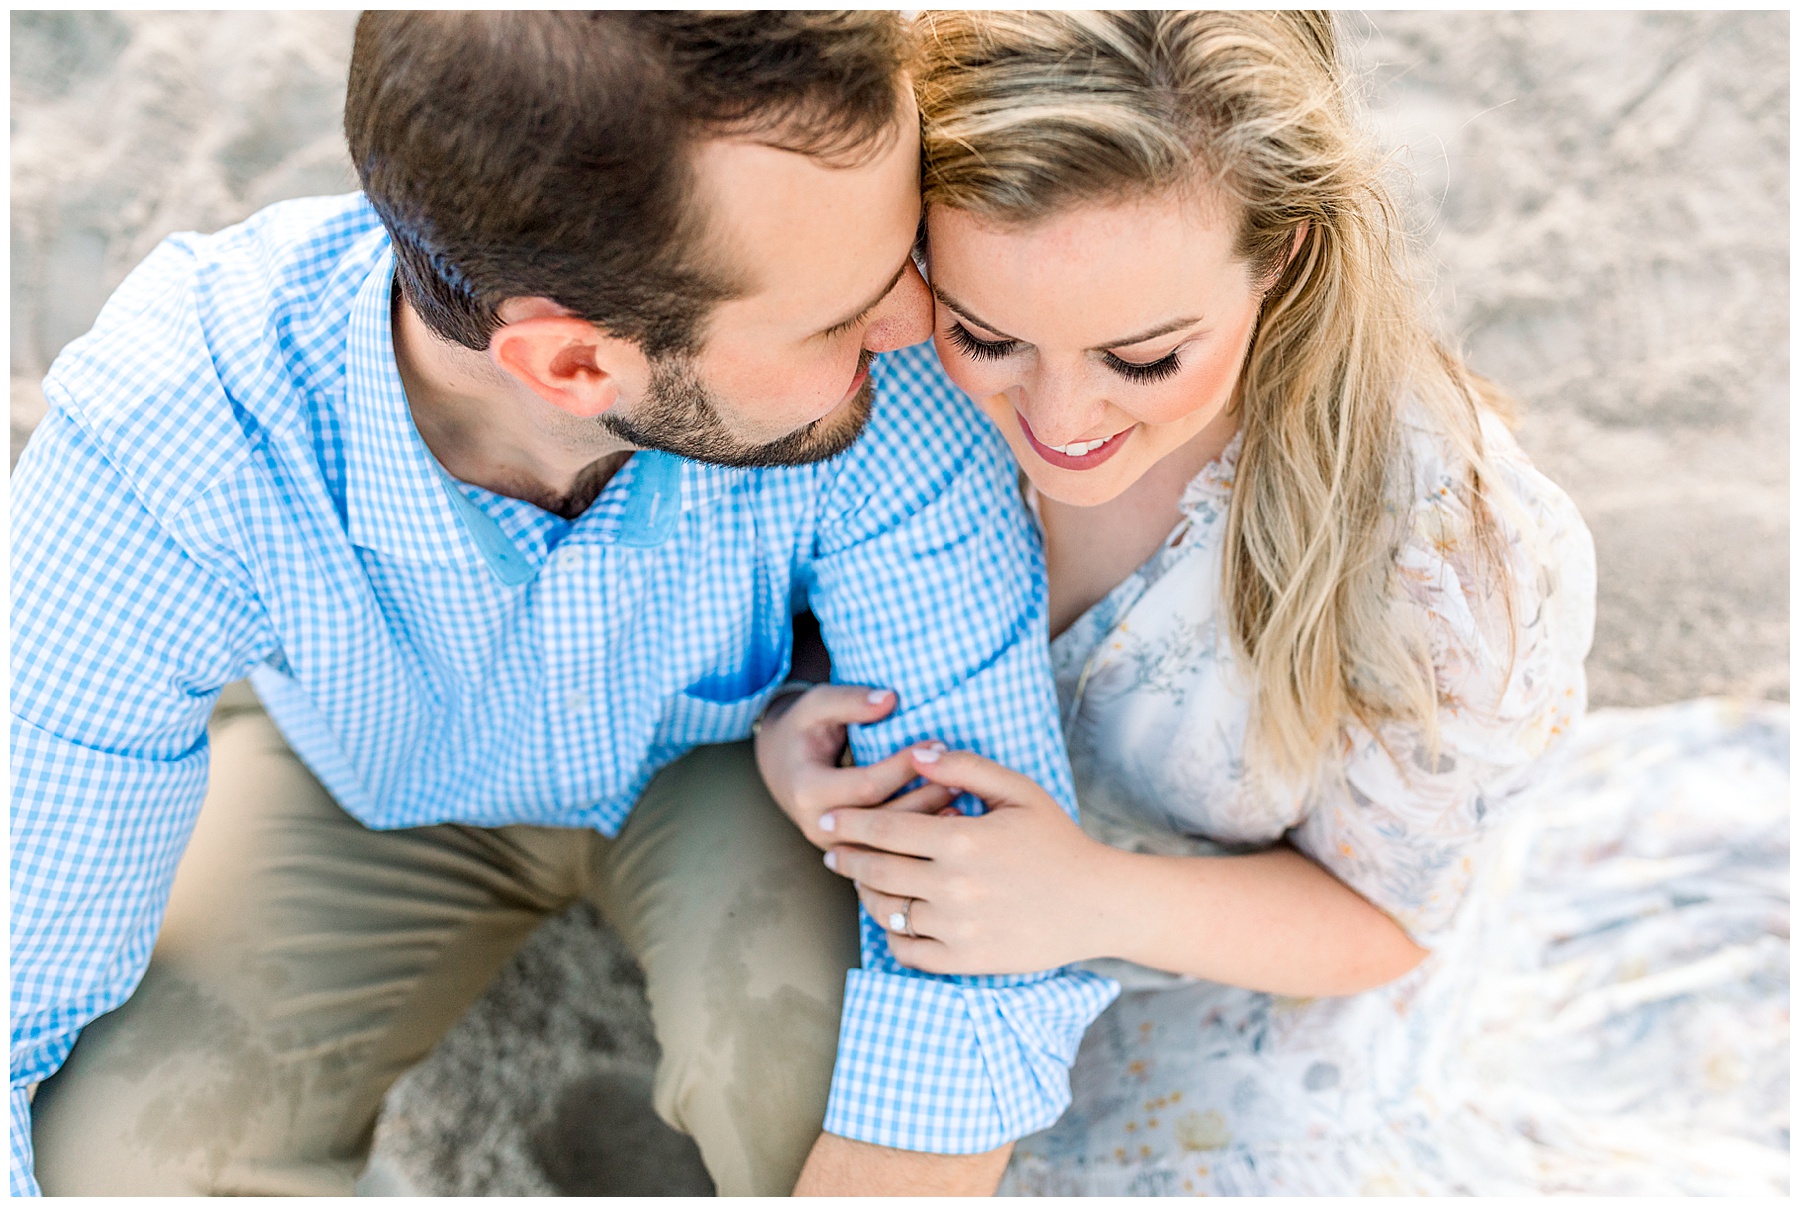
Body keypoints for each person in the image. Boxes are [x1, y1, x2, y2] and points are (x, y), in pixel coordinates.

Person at [9, 12, 1119, 1197]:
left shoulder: (889, 370)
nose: (919, 322)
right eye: (839, 313)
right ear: (576, 366)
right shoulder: (175, 423)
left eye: (906, 247)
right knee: (123, 1158)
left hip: (738, 771)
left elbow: (979, 891)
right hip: (370, 779)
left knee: (843, 1099)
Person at [756, 10, 1612, 1193]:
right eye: (987, 334)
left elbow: (1387, 925)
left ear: (1287, 256)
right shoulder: (877, 356)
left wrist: (1088, 898)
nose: (1059, 423)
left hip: (1223, 982)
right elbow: (769, 581)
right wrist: (790, 725)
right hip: (895, 914)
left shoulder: (1447, 554)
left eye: (1145, 358)